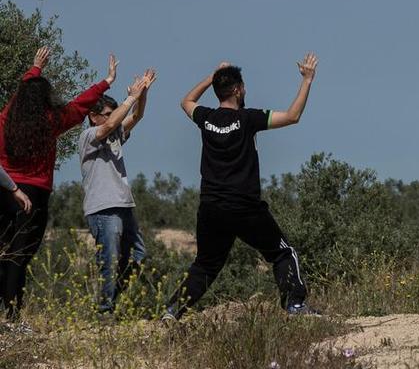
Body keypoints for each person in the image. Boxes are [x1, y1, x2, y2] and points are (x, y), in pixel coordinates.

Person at [164, 53, 320, 320]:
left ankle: (171, 312)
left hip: (211, 208)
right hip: (245, 208)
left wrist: (212, 76)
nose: (245, 90)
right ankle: (294, 306)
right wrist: (307, 80)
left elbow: (185, 101)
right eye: (243, 86)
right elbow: (293, 116)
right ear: (237, 90)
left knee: (205, 265)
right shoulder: (249, 119)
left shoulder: (206, 118)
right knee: (283, 253)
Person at [0, 47, 117, 318]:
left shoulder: (5, 120)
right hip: (34, 195)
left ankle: (9, 314)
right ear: (45, 100)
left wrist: (34, 69)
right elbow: (79, 106)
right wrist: (106, 82)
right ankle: (13, 316)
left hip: (4, 189)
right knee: (21, 256)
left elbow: (20, 96)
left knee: (3, 252)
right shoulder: (51, 121)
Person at [80, 69, 156, 312]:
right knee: (109, 259)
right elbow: (113, 123)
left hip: (124, 205)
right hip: (103, 208)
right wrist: (130, 97)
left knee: (137, 256)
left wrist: (141, 94)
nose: (113, 118)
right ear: (93, 117)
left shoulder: (114, 134)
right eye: (108, 114)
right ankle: (105, 309)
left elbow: (137, 116)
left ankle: (114, 300)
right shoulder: (89, 136)